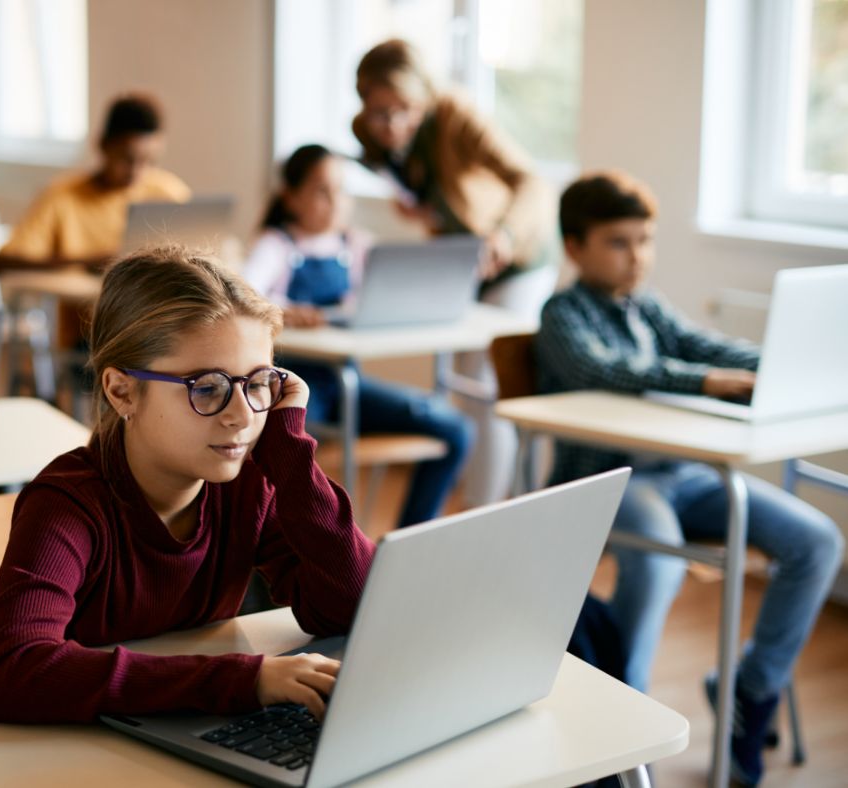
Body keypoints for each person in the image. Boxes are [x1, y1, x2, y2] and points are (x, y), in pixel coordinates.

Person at [535, 170, 843, 786]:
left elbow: (707, 347)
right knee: (660, 560)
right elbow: (610, 370)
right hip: (612, 479)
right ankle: (623, 727)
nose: (637, 256)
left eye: (645, 240)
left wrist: (782, 359)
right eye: (619, 242)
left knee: (817, 542)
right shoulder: (562, 312)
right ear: (574, 246)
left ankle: (751, 693)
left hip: (683, 474)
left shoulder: (644, 305)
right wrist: (701, 381)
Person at [0, 247, 375, 724]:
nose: (243, 415)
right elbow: (14, 673)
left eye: (259, 383)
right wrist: (244, 680)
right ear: (121, 390)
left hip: (185, 728)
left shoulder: (248, 487)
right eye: (207, 387)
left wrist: (290, 452)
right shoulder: (68, 504)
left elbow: (352, 605)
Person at [352, 38, 559, 508]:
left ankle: (484, 514)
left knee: (489, 387)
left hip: (516, 259)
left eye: (404, 109)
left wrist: (504, 233)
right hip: (460, 264)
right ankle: (461, 514)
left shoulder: (455, 115)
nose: (392, 124)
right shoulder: (366, 135)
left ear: (424, 97)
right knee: (464, 389)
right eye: (380, 112)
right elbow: (410, 181)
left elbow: (531, 181)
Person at [244, 143, 474, 528]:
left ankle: (408, 540)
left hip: (345, 387)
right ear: (290, 196)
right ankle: (290, 548)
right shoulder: (276, 245)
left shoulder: (358, 245)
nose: (335, 202)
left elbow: (388, 294)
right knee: (280, 448)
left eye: (341, 190)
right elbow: (245, 297)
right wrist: (283, 311)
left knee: (456, 430)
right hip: (292, 390)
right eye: (321, 190)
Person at [0, 92, 191, 273]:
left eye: (148, 161)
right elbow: (1, 263)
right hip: (80, 311)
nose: (136, 172)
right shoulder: (61, 197)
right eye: (126, 159)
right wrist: (88, 263)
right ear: (103, 146)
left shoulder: (168, 192)